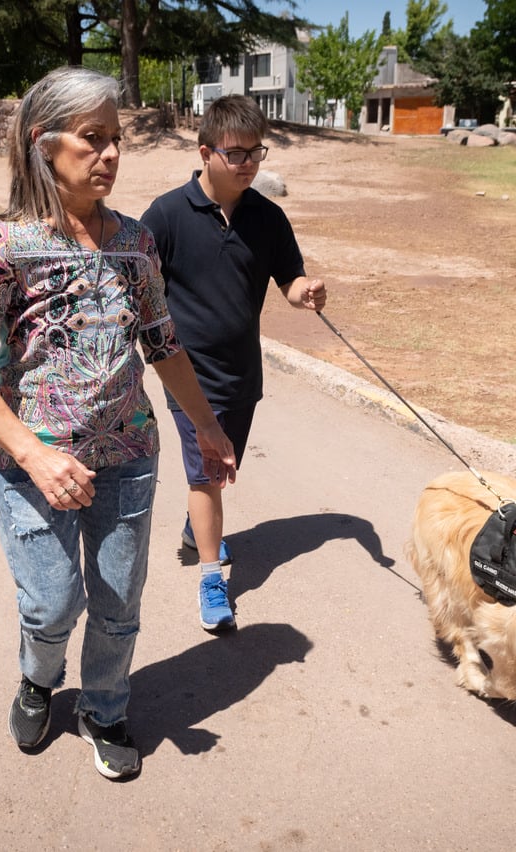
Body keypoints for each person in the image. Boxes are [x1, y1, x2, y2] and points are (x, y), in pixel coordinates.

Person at [0, 66, 237, 780]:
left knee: (117, 602)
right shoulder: (5, 246)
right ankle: (38, 679)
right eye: (92, 138)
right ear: (45, 144)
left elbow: (163, 344)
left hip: (128, 452)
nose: (108, 154)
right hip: (30, 464)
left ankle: (104, 708)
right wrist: (34, 455)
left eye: (115, 140)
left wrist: (206, 425)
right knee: (51, 604)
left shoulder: (136, 242)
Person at [140, 94, 326, 633]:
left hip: (243, 376)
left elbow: (288, 282)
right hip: (188, 377)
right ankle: (210, 576)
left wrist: (305, 290)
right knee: (205, 476)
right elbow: (142, 288)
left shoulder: (268, 218)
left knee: (219, 474)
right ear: (206, 152)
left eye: (256, 153)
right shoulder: (167, 215)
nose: (247, 164)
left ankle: (196, 526)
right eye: (236, 153)